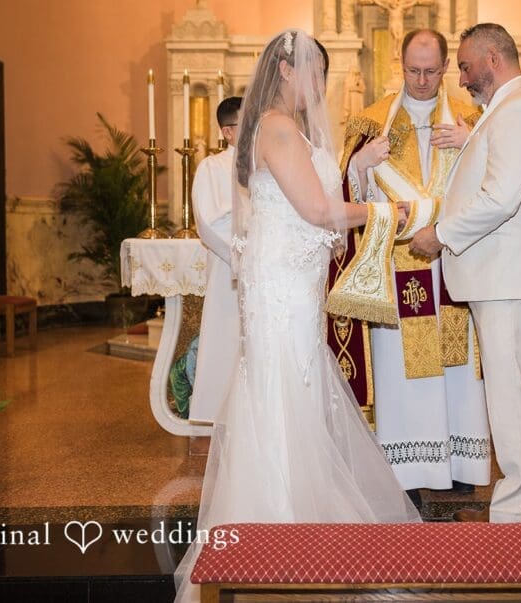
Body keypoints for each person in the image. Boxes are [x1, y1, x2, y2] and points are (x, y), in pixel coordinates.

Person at [175, 30, 420, 603]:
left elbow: (309, 203)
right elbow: (317, 210)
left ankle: (291, 529)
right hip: (282, 287)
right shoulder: (278, 128)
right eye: (314, 73)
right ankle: (276, 529)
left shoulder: (280, 128)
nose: (319, 87)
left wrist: (355, 180)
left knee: (293, 390)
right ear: (285, 69)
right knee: (283, 392)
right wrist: (387, 213)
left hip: (290, 283)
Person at [410, 23, 521, 523]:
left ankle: (516, 517)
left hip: (511, 279)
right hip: (502, 277)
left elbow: (499, 199)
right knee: (508, 396)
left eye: (466, 66)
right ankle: (515, 509)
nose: (462, 77)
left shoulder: (517, 114)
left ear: (492, 59)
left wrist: (442, 233)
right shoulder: (503, 112)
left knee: (512, 400)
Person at [338, 29, 489, 506]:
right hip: (398, 265)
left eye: (431, 71)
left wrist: (475, 143)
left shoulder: (473, 119)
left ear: (446, 67)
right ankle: (407, 473)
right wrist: (359, 164)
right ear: (398, 65)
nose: (422, 81)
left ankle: (462, 467)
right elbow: (347, 202)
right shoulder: (370, 122)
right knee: (404, 376)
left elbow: (499, 184)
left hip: (452, 260)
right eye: (412, 71)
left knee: (459, 368)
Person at [188, 97, 243, 424]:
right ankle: (217, 415)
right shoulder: (212, 167)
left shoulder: (268, 163)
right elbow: (209, 221)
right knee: (226, 336)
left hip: (266, 267)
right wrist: (246, 253)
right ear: (227, 132)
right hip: (229, 270)